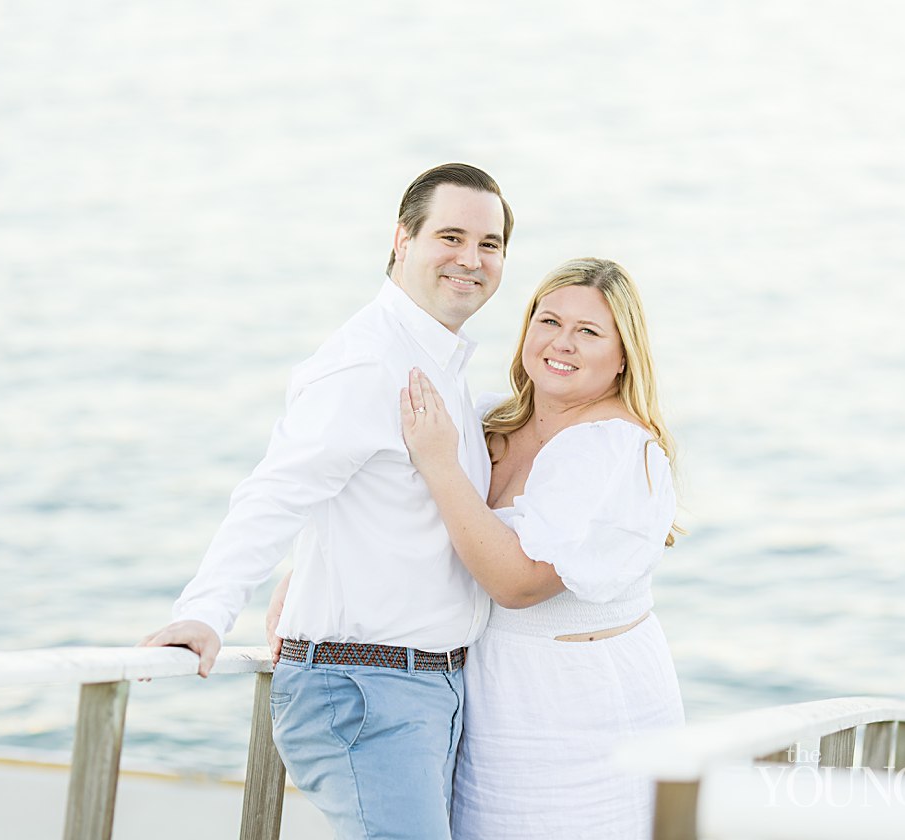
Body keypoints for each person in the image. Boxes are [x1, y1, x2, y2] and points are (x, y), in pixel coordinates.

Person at [140, 163, 514, 840]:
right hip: (366, 693)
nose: (471, 259)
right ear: (402, 239)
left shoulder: (438, 361)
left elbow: (369, 505)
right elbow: (277, 491)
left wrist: (306, 571)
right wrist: (204, 611)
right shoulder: (369, 364)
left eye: (489, 244)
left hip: (431, 690)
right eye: (450, 236)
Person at [399, 257, 685, 840]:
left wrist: (439, 462)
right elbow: (394, 518)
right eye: (548, 321)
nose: (563, 343)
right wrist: (301, 586)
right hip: (491, 697)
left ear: (624, 353)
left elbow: (520, 582)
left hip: (586, 709)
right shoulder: (487, 420)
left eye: (589, 332)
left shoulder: (614, 450)